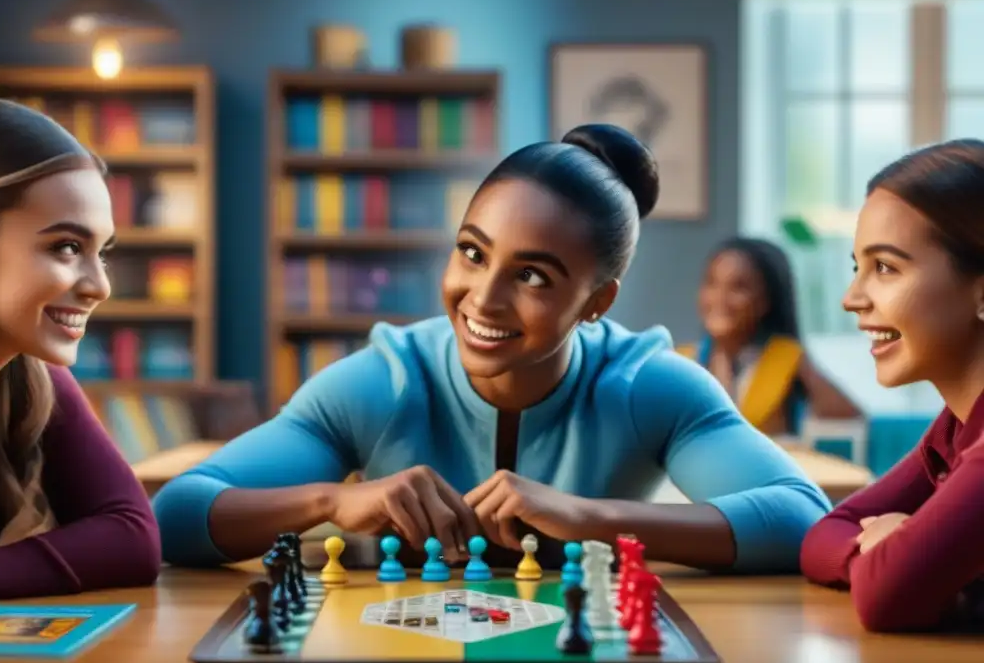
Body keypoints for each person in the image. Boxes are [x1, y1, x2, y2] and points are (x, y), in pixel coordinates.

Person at [154, 123, 831, 573]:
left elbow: (802, 518)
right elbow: (178, 514)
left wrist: (590, 519)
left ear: (597, 302)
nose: (483, 298)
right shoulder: (381, 381)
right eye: (473, 253)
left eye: (532, 276)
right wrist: (328, 503)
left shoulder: (650, 384)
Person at [0, 99, 161, 600]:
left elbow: (132, 536)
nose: (100, 286)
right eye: (67, 247)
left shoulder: (31, 375)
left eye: (102, 252)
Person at [800, 139, 984, 632]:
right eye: (857, 268)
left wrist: (903, 554)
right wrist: (884, 546)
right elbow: (823, 534)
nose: (851, 298)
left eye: (884, 267)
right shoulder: (956, 426)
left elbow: (887, 596)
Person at [678, 237, 861, 436]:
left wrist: (800, 363)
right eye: (711, 283)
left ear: (765, 301)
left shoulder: (784, 359)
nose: (719, 298)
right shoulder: (680, 361)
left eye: (738, 287)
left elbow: (847, 414)